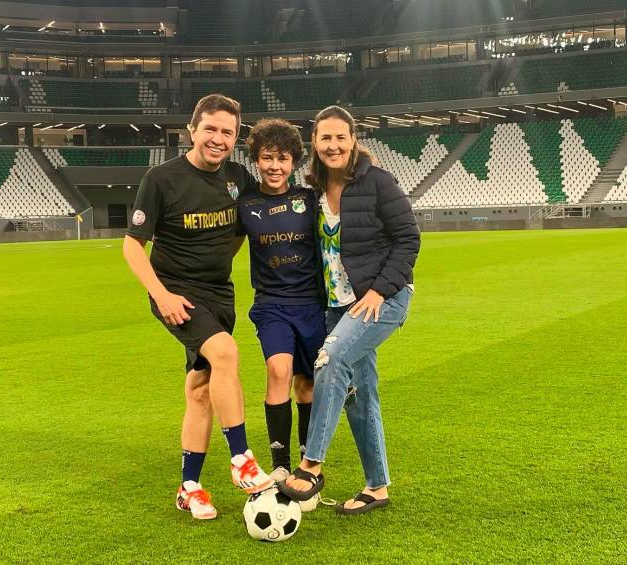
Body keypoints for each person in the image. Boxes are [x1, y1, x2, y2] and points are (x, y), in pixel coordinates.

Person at [123, 94, 272, 521]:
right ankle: (241, 458)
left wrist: (223, 258)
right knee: (226, 353)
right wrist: (162, 295)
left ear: (235, 137)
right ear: (192, 130)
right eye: (210, 128)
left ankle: (189, 487)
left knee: (201, 387)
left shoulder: (238, 178)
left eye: (227, 132)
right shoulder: (162, 178)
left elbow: (243, 229)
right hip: (177, 294)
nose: (218, 138)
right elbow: (133, 246)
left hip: (218, 293)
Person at [277, 105, 420, 515]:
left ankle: (311, 464)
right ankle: (377, 487)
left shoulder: (377, 183)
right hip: (337, 305)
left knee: (330, 359)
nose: (333, 145)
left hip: (382, 299)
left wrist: (378, 291)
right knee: (361, 395)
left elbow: (408, 239)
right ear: (315, 143)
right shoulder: (314, 193)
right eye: (326, 138)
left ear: (354, 140)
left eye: (341, 137)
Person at [235, 119, 326, 496]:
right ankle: (279, 465)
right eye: (267, 157)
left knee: (306, 385)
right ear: (256, 159)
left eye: (283, 158)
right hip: (271, 304)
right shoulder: (245, 203)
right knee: (278, 369)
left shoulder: (309, 199)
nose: (275, 166)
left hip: (312, 304)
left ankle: (307, 463)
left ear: (294, 162)